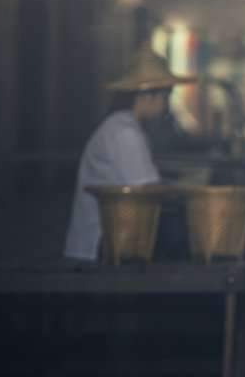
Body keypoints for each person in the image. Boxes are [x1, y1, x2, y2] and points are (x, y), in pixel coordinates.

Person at [64, 47, 194, 261]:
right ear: (146, 96)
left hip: (104, 237)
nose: (165, 105)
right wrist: (185, 191)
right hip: (103, 240)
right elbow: (147, 188)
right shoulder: (125, 133)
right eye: (164, 97)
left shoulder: (119, 126)